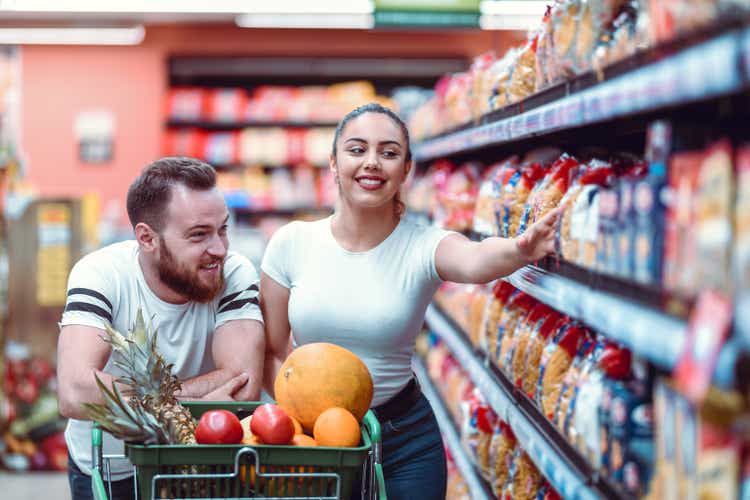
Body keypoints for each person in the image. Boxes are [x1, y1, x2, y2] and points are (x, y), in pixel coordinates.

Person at [259, 103, 560, 499]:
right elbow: (273, 348)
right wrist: (305, 424)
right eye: (356, 150)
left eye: (388, 152)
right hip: (315, 439)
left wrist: (521, 250)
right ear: (333, 163)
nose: (371, 163)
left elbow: (474, 258)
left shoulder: (422, 245)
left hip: (404, 441)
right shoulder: (291, 243)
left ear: (406, 169)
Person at [57, 157, 265, 500]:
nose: (219, 249)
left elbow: (243, 384)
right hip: (113, 468)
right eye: (199, 235)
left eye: (223, 229)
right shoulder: (100, 274)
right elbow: (75, 391)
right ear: (147, 238)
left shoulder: (235, 273)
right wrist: (189, 400)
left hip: (201, 465)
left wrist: (150, 398)